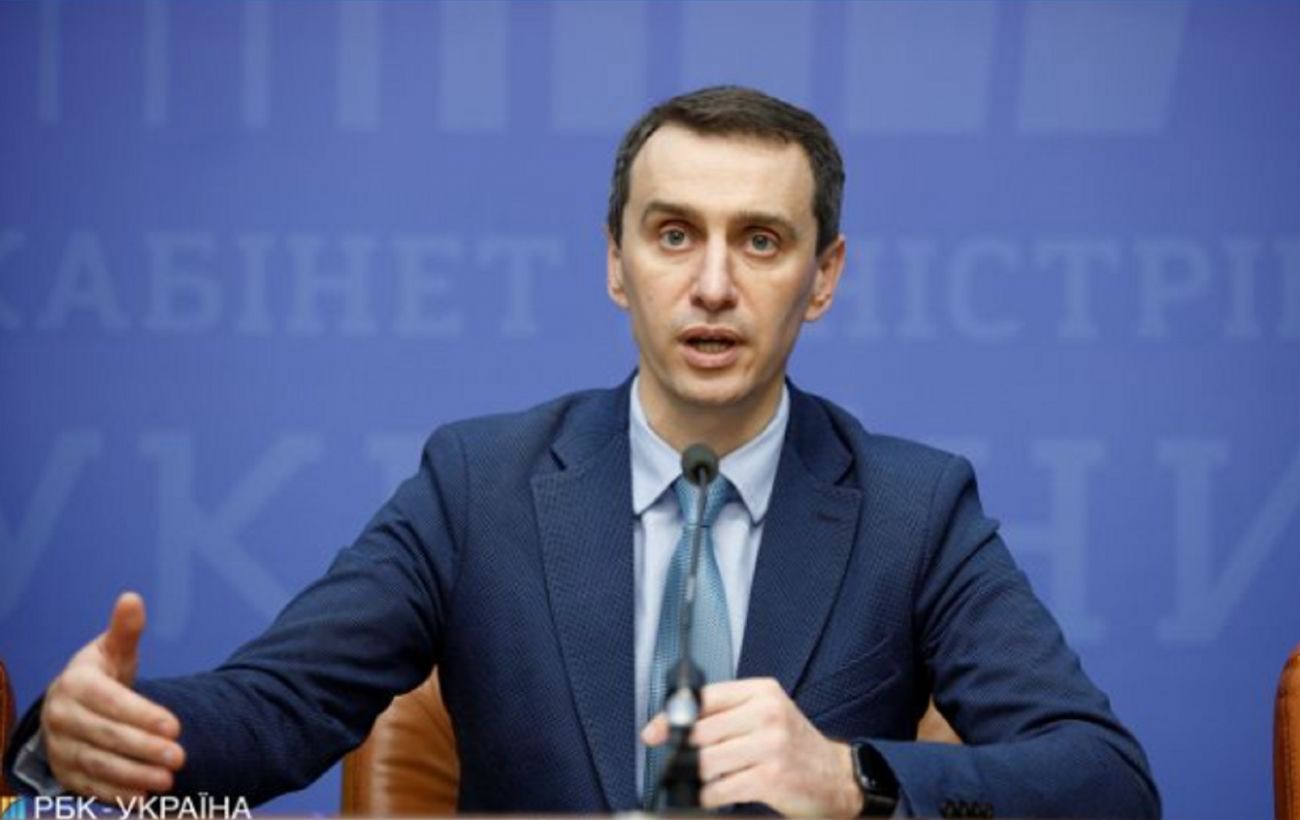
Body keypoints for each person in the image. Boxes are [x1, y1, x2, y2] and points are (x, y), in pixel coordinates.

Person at [6, 86, 1160, 818]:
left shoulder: (914, 507)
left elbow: (1106, 781)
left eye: (761, 240)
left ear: (824, 277)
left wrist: (852, 778)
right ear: (616, 262)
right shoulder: (479, 486)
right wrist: (97, 739)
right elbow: (279, 705)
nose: (714, 284)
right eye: (674, 234)